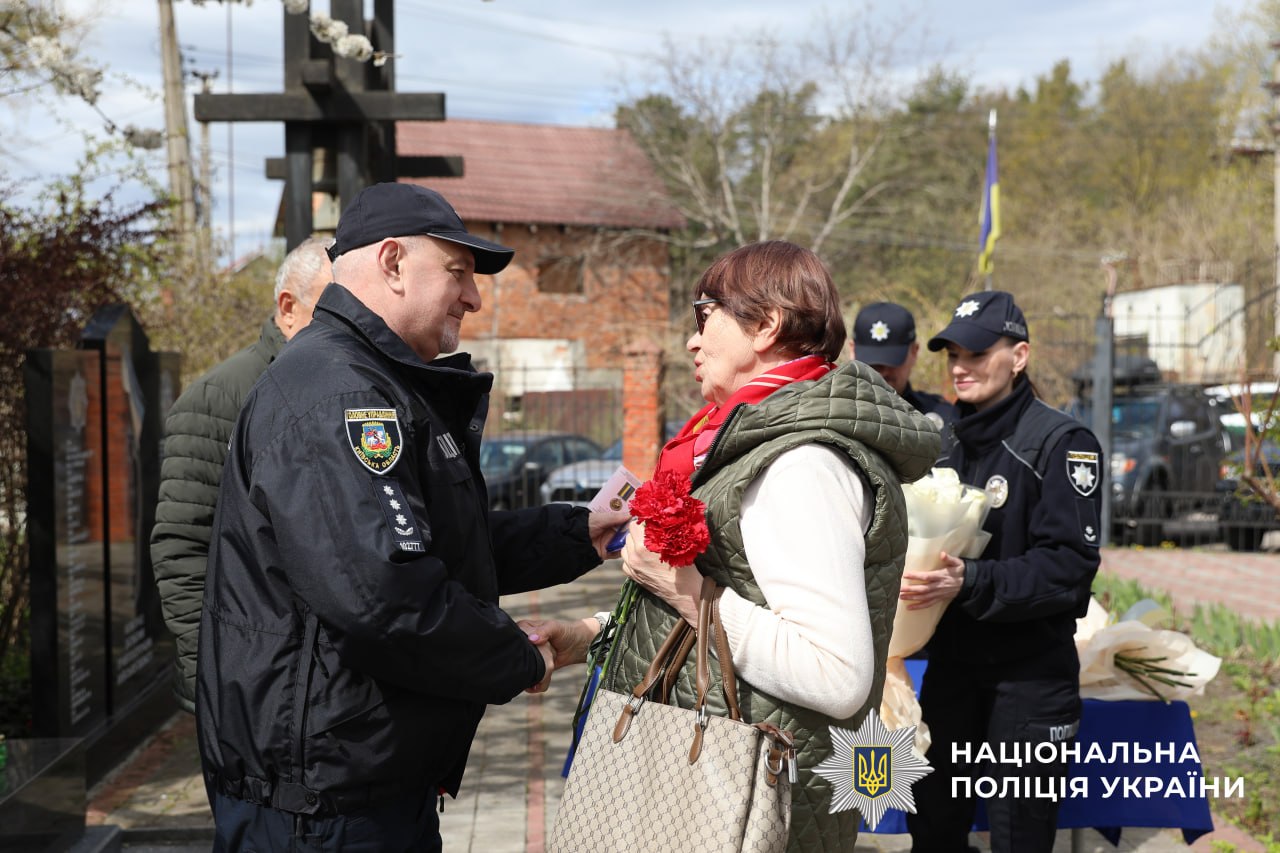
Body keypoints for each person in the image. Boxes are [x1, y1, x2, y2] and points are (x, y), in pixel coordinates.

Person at [194, 182, 629, 852]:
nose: (473, 297)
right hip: (323, 812)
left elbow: (445, 544)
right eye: (457, 271)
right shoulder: (339, 393)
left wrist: (579, 533)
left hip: (356, 790)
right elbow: (385, 595)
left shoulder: (373, 381)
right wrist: (517, 655)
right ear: (393, 262)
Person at [523, 240, 941, 852]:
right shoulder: (756, 441)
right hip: (718, 787)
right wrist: (590, 634)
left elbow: (838, 674)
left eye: (705, 315)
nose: (691, 340)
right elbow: (740, 593)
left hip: (751, 804)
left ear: (767, 324)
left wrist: (684, 589)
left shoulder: (803, 464)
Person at [901, 290, 1103, 853]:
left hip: (1029, 681)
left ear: (1019, 357)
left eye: (977, 353)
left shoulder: (1062, 443)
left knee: (1018, 839)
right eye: (952, 355)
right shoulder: (941, 441)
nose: (961, 367)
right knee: (933, 833)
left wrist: (971, 579)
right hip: (951, 674)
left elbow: (1068, 569)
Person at [150, 235, 333, 713]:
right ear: (288, 308)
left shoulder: (350, 392)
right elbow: (182, 548)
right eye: (335, 309)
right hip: (248, 693)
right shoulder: (218, 401)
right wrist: (216, 681)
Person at [851, 301, 958, 440]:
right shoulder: (832, 414)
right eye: (872, 364)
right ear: (852, 351)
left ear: (914, 352)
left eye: (892, 361)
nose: (882, 372)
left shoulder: (944, 418)